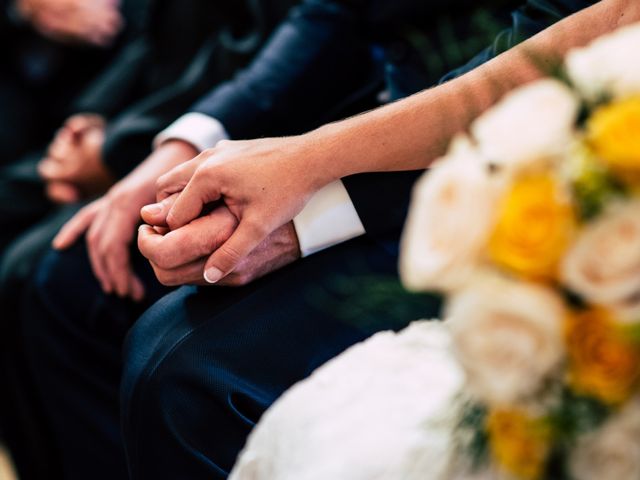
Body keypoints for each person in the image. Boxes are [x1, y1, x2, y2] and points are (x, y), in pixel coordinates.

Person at [11, 0, 606, 478]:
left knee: (182, 372)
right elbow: (333, 17)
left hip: (524, 182)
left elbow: (552, 61)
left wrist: (311, 199)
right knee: (55, 278)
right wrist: (167, 153)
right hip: (360, 126)